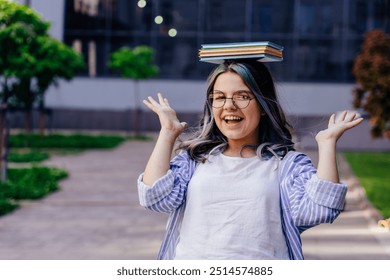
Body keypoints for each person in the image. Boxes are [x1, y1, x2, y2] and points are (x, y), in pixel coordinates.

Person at [137, 59, 363, 260]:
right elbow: (154, 198)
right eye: (219, 97)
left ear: (264, 107)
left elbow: (318, 210)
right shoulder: (194, 160)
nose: (229, 106)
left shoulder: (286, 165)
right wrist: (167, 134)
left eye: (242, 96)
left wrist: (327, 143)